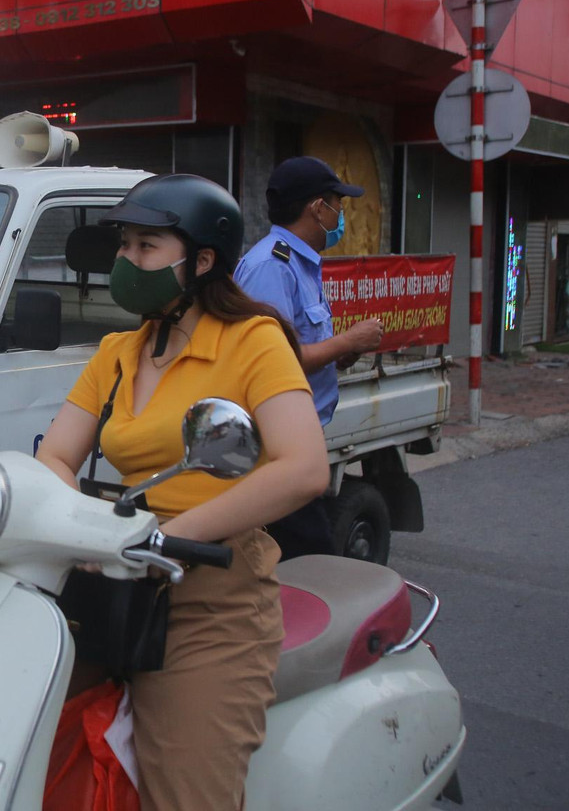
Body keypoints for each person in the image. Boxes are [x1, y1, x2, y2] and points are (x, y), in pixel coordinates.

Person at [35, 174, 330, 811]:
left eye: (146, 247)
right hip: (112, 582)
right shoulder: (118, 351)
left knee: (187, 796)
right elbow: (56, 455)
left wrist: (169, 536)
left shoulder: (252, 341)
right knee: (27, 746)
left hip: (210, 600)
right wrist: (83, 525)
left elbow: (304, 466)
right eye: (123, 247)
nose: (127, 262)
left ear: (201, 261)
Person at [233, 156, 384, 559]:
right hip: (275, 445)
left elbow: (299, 346)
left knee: (300, 559)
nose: (341, 217)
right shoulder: (272, 267)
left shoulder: (300, 264)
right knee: (310, 559)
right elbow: (275, 362)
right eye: (338, 205)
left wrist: (341, 352)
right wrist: (349, 338)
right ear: (318, 208)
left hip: (299, 437)